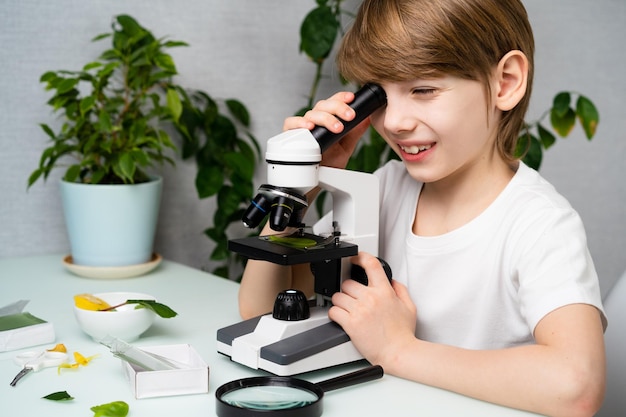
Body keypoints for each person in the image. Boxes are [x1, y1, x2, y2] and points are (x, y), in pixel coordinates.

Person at [238, 1, 607, 416]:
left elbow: (576, 386)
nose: (394, 121)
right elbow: (261, 311)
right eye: (378, 95)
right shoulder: (383, 190)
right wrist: (301, 185)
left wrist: (399, 351)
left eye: (423, 90)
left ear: (505, 82)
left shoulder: (539, 223)